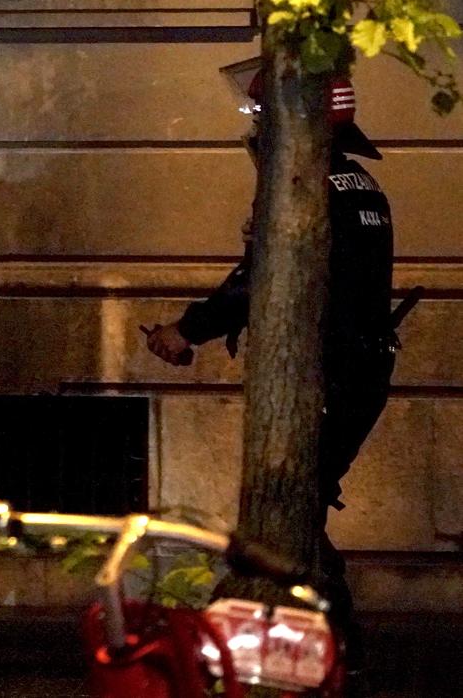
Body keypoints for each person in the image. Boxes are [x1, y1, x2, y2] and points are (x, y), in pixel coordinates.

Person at [144, 60, 396, 681]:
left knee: (292, 510)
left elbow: (258, 284)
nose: (254, 129)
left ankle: (329, 647)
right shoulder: (359, 184)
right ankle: (324, 645)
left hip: (333, 372)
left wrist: (186, 330)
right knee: (299, 506)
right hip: (359, 366)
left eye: (262, 116)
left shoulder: (304, 193)